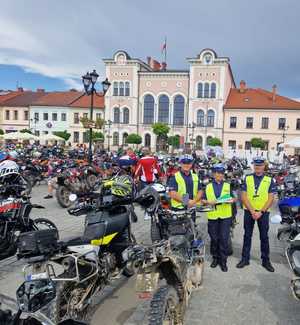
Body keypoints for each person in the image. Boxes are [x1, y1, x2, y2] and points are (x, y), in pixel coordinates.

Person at [236, 157, 276, 272]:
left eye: (260, 165)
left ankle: (266, 260)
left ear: (264, 166)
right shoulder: (247, 178)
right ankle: (245, 259)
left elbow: (271, 198)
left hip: (263, 213)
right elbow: (243, 196)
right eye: (256, 165)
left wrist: (261, 212)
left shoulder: (269, 180)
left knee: (264, 237)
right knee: (247, 235)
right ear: (253, 166)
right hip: (249, 212)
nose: (258, 167)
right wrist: (253, 211)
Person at [201, 163, 236, 272]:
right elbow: (202, 200)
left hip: (225, 216)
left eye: (221, 173)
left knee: (224, 239)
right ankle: (215, 258)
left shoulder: (227, 185)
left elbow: (233, 198)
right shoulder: (208, 186)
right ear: (213, 174)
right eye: (217, 173)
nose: (219, 175)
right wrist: (208, 202)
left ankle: (223, 261)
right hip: (213, 215)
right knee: (214, 239)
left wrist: (231, 200)